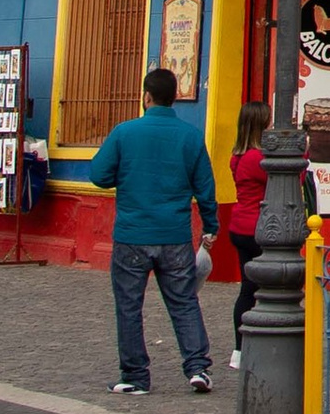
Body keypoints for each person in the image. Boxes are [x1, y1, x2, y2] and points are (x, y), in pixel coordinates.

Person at [87, 67, 221, 395]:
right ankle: (198, 367)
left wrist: (127, 175)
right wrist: (210, 225)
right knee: (183, 301)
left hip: (132, 234)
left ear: (146, 96)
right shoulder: (190, 136)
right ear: (174, 96)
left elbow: (99, 175)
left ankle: (135, 376)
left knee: (129, 305)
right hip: (174, 234)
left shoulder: (124, 132)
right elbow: (205, 186)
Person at [225, 100, 271, 371]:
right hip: (258, 228)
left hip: (240, 225)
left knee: (248, 288)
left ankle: (240, 348)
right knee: (257, 290)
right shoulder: (256, 159)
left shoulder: (238, 155)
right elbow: (289, 179)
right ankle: (245, 347)